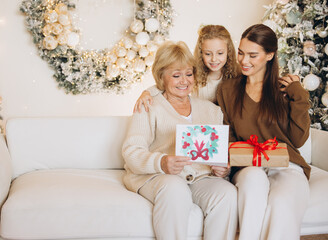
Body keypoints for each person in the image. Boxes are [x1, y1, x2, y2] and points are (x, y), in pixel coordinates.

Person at [122, 41, 237, 240]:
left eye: (189, 74)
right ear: (161, 78)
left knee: (226, 192)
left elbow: (217, 156)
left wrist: (223, 170)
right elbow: (131, 151)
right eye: (176, 75)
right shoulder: (148, 105)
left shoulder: (212, 110)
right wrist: (162, 162)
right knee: (175, 188)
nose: (184, 81)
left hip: (200, 177)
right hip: (158, 177)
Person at [216, 24, 311, 240]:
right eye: (240, 53)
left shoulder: (285, 90)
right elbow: (227, 134)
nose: (244, 61)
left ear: (270, 55)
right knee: (253, 180)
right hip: (247, 165)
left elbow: (298, 139)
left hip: (287, 165)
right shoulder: (228, 90)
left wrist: (299, 94)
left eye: (252, 55)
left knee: (282, 205)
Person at [133, 25, 240, 112]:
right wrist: (147, 92)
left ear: (228, 52)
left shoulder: (236, 73)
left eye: (220, 53)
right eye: (208, 54)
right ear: (201, 53)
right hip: (200, 121)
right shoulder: (193, 71)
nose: (214, 59)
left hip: (225, 124)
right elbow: (168, 83)